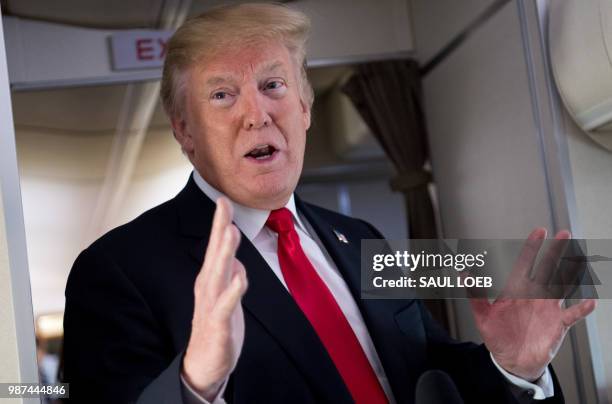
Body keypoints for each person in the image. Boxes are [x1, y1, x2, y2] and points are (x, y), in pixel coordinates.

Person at [61, 3, 596, 403]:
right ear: (185, 129)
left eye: (273, 85)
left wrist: (512, 367)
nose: (256, 114)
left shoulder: (361, 238)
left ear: (305, 106)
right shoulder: (116, 271)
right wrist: (195, 387)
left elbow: (431, 370)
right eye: (222, 95)